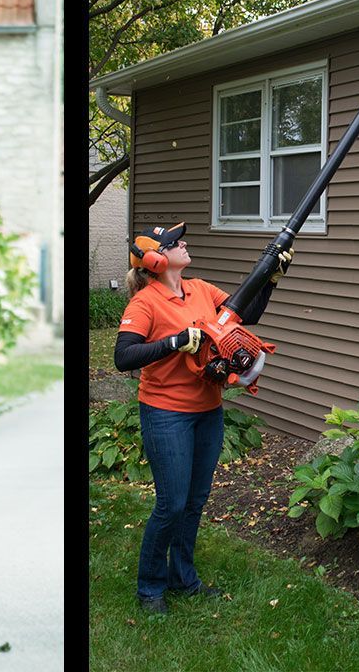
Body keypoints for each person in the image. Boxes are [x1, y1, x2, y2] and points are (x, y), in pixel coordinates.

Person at [114, 222, 291, 613]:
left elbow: (249, 314)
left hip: (207, 411)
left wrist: (271, 279)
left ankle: (183, 578)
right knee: (171, 504)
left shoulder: (201, 289)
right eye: (176, 243)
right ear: (157, 259)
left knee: (194, 501)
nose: (185, 244)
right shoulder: (144, 303)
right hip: (166, 414)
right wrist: (175, 342)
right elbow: (123, 356)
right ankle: (150, 588)